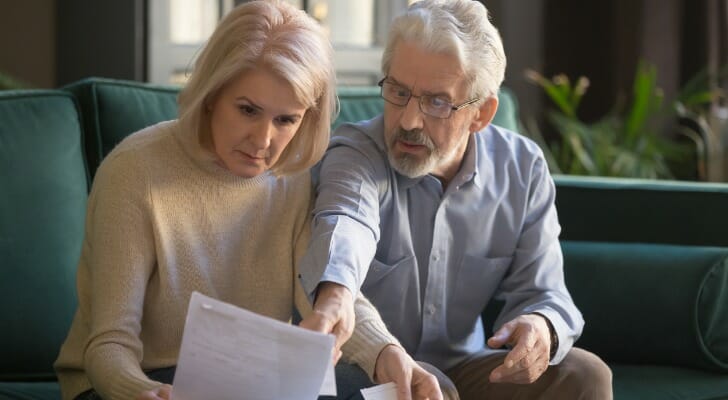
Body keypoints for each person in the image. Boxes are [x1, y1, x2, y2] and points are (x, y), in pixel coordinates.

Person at [53, 1, 442, 399]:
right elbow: (109, 346)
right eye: (247, 110)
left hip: (248, 383)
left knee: (415, 384)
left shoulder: (291, 177)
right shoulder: (134, 170)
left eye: (285, 119)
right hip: (133, 381)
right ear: (211, 95)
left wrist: (386, 351)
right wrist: (143, 392)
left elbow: (326, 298)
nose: (262, 141)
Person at [299, 0, 613, 399]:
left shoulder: (523, 168)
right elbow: (345, 223)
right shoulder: (355, 153)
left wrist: (541, 327)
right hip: (369, 370)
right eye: (398, 92)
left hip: (470, 369)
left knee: (585, 374)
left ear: (481, 114)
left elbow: (545, 291)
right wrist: (336, 296)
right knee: (430, 388)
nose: (409, 121)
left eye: (436, 102)